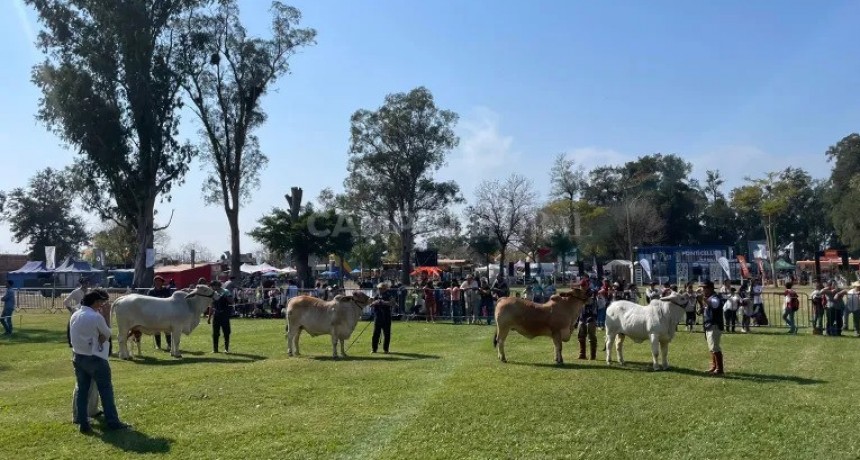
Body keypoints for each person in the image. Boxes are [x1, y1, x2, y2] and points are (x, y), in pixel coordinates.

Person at [70, 289, 131, 434]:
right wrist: (106, 316)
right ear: (96, 302)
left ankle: (83, 422)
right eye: (100, 303)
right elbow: (108, 332)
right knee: (106, 390)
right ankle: (113, 422)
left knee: (82, 390)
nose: (102, 305)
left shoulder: (75, 314)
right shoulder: (96, 316)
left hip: (78, 356)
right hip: (95, 358)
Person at [698, 281, 725, 375]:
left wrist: (704, 299)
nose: (703, 290)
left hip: (714, 325)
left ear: (709, 289)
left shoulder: (715, 298)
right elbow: (707, 309)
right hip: (708, 325)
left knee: (715, 347)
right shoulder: (709, 298)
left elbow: (715, 305)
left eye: (704, 288)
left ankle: (719, 369)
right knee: (711, 347)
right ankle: (714, 366)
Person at [147, 276, 173, 350]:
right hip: (155, 315)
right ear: (154, 282)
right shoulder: (151, 292)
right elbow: (148, 303)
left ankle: (169, 345)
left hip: (165, 314)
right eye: (156, 281)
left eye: (159, 281)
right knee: (156, 330)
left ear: (162, 282)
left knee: (167, 330)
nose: (157, 283)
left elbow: (170, 301)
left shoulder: (166, 290)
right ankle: (158, 346)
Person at [207, 280, 232, 353]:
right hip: (216, 315)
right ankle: (215, 349)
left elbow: (231, 301)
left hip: (224, 315)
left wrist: (225, 297)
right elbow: (211, 306)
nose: (211, 288)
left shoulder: (226, 291)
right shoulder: (213, 294)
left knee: (226, 332)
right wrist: (209, 318)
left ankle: (226, 349)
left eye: (212, 286)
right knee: (215, 333)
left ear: (217, 285)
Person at [371, 283, 396, 353]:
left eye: (381, 288)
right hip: (378, 317)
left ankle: (386, 349)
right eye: (378, 288)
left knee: (387, 334)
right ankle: (374, 349)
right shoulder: (376, 295)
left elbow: (393, 303)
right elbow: (372, 303)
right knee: (375, 334)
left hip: (386, 317)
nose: (379, 290)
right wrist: (374, 303)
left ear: (385, 289)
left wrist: (383, 302)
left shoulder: (389, 295)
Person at [64, 278, 90, 345]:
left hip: (88, 312)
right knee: (72, 326)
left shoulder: (90, 292)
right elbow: (66, 301)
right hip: (78, 311)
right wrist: (72, 310)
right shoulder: (76, 292)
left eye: (87, 282)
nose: (86, 284)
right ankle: (71, 341)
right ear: (81, 284)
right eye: (85, 283)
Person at [577, 294, 598, 360]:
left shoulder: (592, 296)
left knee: (592, 337)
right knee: (581, 337)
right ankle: (582, 354)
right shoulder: (580, 297)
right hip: (582, 318)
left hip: (591, 319)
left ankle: (592, 355)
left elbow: (594, 308)